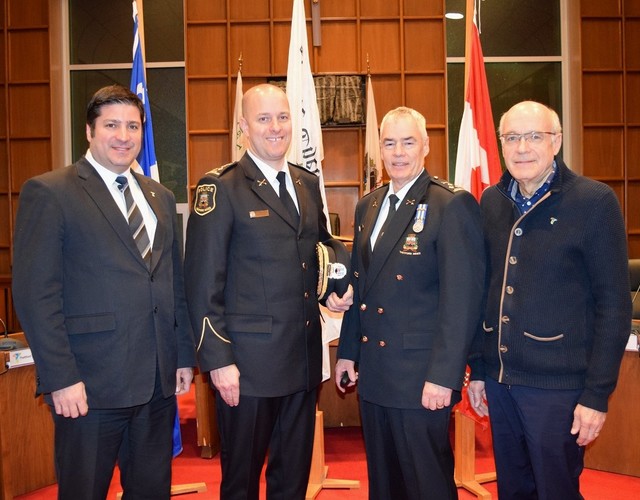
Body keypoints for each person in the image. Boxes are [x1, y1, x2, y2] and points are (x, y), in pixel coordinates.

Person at [11, 84, 196, 500]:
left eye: (133, 126)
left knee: (151, 492)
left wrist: (183, 354)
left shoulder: (160, 198)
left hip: (155, 383)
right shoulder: (51, 192)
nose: (124, 135)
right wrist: (61, 377)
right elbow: (35, 294)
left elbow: (173, 283)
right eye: (112, 125)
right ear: (90, 132)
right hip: (89, 387)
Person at [184, 83, 347, 500]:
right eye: (263, 118)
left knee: (291, 480)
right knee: (241, 482)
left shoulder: (306, 183)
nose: (276, 128)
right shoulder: (221, 188)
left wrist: (334, 285)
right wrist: (219, 361)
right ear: (244, 127)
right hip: (248, 369)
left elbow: (322, 243)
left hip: (303, 360)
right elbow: (203, 283)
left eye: (283, 117)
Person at [468, 101, 632, 500]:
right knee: (513, 490)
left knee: (555, 491)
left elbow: (614, 305)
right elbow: (483, 289)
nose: (522, 147)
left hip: (557, 389)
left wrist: (596, 395)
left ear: (556, 141)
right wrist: (478, 368)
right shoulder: (492, 200)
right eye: (512, 137)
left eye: (534, 136)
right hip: (500, 382)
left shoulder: (594, 202)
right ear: (501, 143)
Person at [329, 106, 485, 500]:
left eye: (408, 142)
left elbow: (461, 301)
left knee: (426, 482)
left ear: (426, 146)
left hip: (421, 376)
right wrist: (348, 353)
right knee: (385, 481)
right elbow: (362, 287)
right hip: (377, 372)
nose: (398, 152)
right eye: (389, 142)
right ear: (380, 148)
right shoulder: (368, 205)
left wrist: (445, 377)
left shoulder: (450, 204)